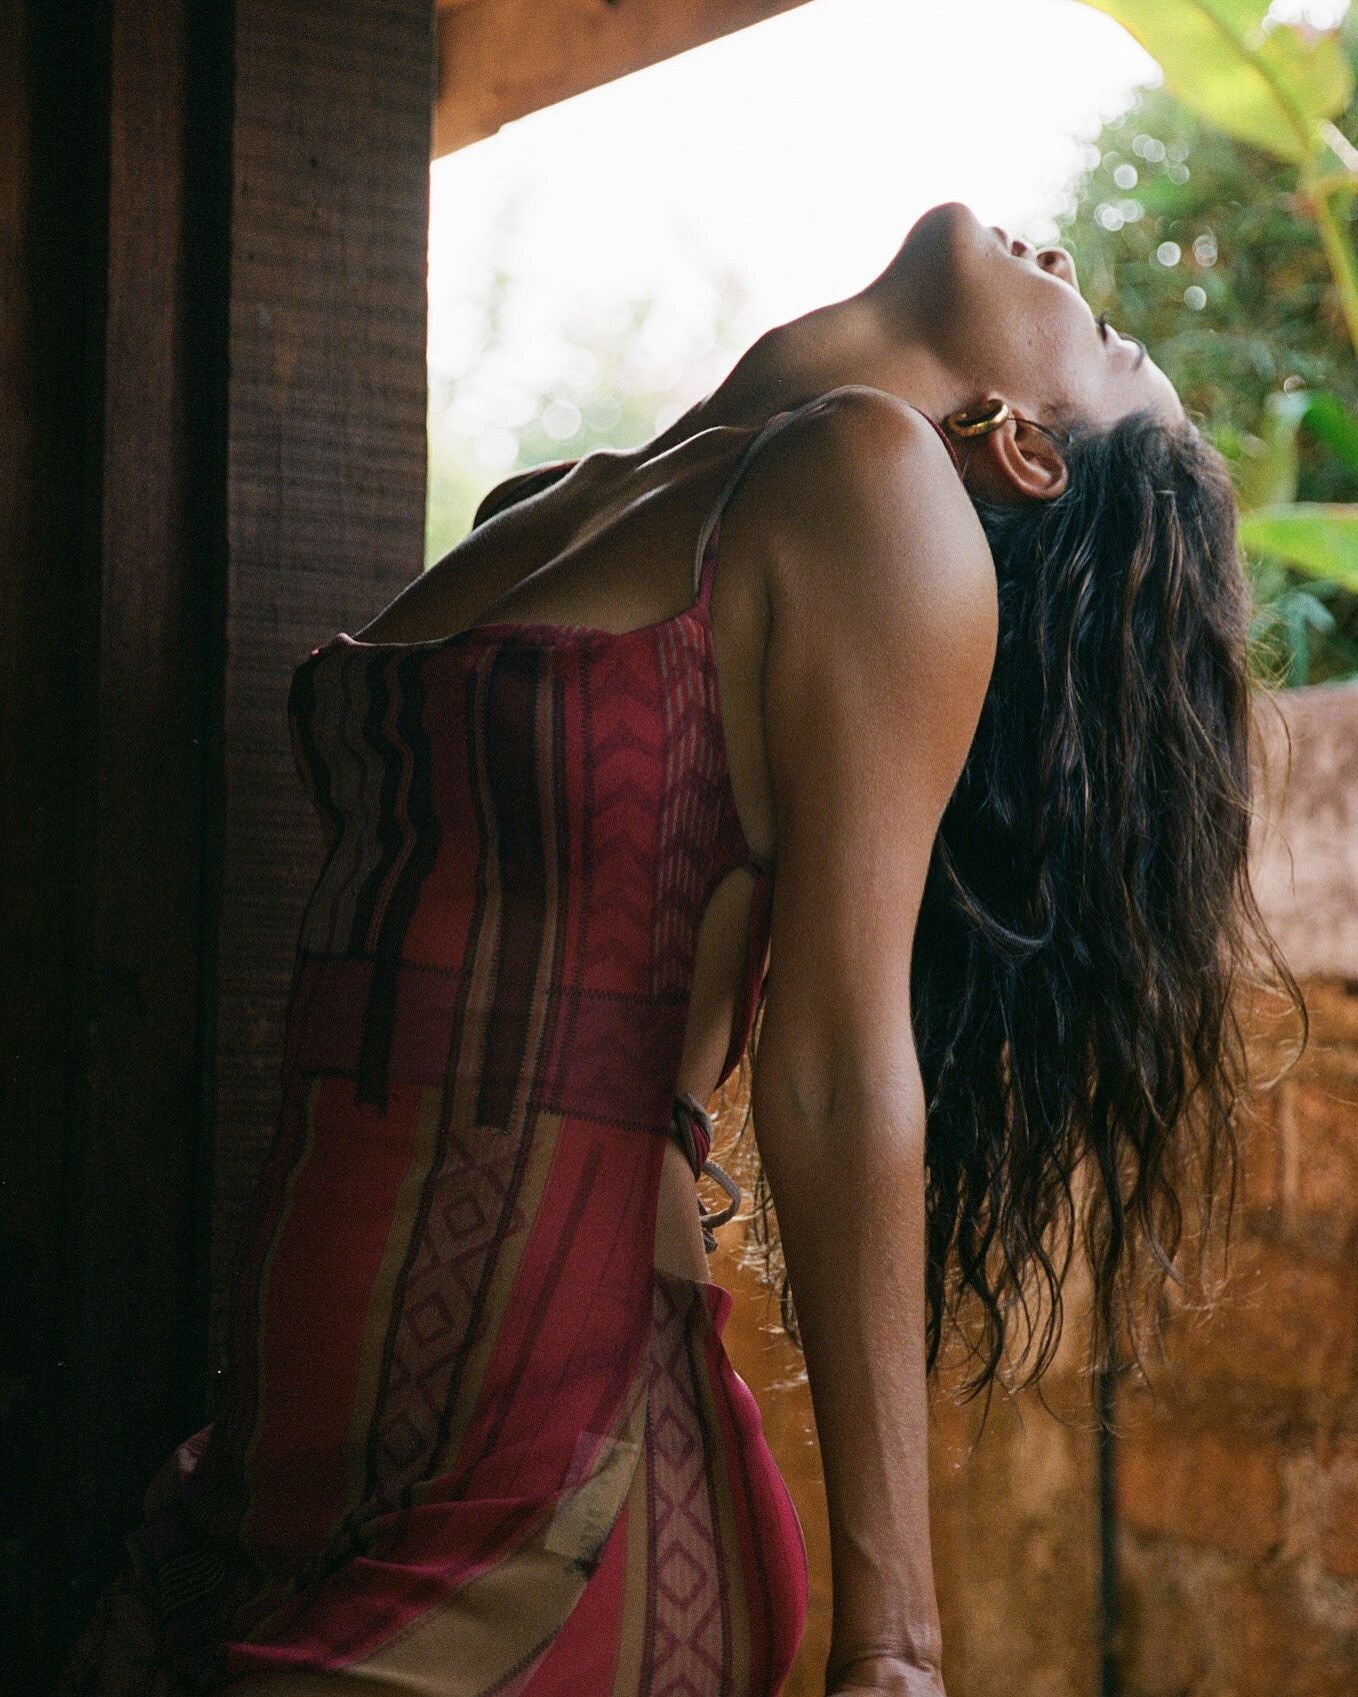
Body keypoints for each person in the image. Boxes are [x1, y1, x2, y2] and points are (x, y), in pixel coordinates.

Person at [58, 198, 1297, 1697]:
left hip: (545, 1497)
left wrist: (895, 1647)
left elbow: (839, 1064)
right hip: (276, 1477)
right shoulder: (568, 496)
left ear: (1024, 446)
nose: (1060, 255)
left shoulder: (873, 481)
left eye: (1099, 338)